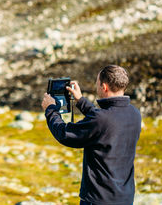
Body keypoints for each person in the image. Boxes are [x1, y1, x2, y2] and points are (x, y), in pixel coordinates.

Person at [41, 65, 141, 205]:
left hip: (98, 199)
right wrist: (81, 101)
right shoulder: (135, 114)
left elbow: (65, 134)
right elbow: (105, 121)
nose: (96, 85)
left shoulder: (101, 119)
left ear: (104, 87)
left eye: (97, 82)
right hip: (125, 198)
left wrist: (50, 109)